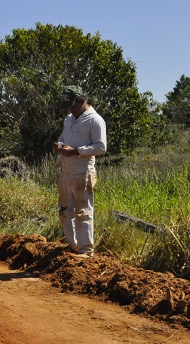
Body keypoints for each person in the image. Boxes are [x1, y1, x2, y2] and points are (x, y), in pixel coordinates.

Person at [53, 85, 107, 259]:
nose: (71, 109)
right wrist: (59, 145)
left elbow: (101, 147)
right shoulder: (69, 118)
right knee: (65, 211)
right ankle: (74, 246)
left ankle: (86, 249)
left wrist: (76, 151)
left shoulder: (95, 120)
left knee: (83, 211)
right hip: (66, 171)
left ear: (82, 101)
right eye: (69, 106)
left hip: (83, 171)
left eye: (73, 105)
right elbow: (63, 138)